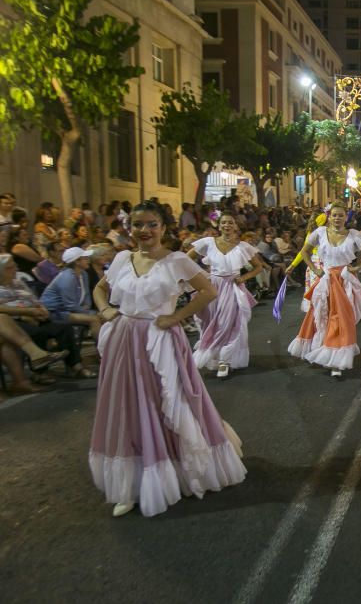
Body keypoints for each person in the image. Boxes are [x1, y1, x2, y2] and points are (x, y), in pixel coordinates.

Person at [90, 200, 245, 517]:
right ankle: (130, 483)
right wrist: (106, 311)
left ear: (163, 227)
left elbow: (207, 291)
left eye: (151, 224)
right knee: (127, 405)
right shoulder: (122, 258)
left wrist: (176, 316)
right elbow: (100, 289)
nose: (144, 231)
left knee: (167, 400)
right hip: (123, 339)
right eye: (137, 225)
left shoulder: (177, 261)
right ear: (129, 227)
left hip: (160, 340)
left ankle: (176, 469)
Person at [287, 202, 361, 377]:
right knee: (320, 315)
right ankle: (324, 349)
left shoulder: (354, 235)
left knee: (342, 319)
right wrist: (315, 269)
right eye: (334, 214)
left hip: (344, 281)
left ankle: (337, 359)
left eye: (341, 215)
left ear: (346, 217)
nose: (337, 218)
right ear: (329, 216)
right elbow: (305, 252)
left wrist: (356, 268)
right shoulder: (319, 233)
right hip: (325, 280)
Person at [187, 213, 264, 378]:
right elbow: (186, 259)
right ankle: (215, 358)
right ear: (219, 225)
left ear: (235, 226)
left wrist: (243, 277)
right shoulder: (208, 243)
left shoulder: (243, 246)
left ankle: (225, 360)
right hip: (212, 288)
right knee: (210, 322)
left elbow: (258, 267)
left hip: (232, 288)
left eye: (230, 222)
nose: (227, 225)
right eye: (223, 223)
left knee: (229, 323)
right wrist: (199, 277)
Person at [39, 246, 102, 340]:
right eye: (85, 258)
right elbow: (70, 305)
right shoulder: (67, 277)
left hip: (71, 310)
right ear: (76, 262)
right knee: (95, 319)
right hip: (56, 312)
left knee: (103, 316)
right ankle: (102, 351)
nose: (88, 260)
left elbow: (87, 296)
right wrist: (89, 312)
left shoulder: (84, 274)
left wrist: (87, 307)